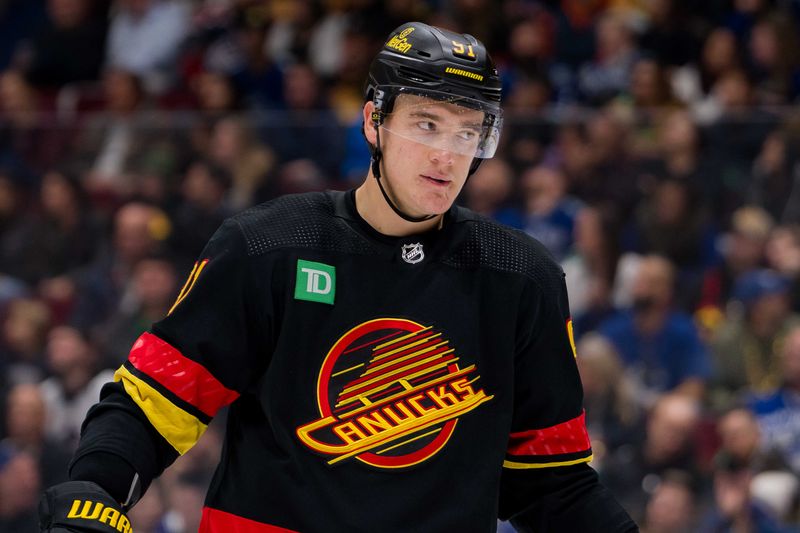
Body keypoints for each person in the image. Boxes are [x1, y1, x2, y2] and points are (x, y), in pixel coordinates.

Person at [39, 22, 636, 532]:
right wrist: (97, 486)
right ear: (374, 122)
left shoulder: (521, 278)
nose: (447, 155)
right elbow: (156, 401)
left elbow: (551, 481)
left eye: (467, 132)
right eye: (427, 124)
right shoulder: (268, 245)